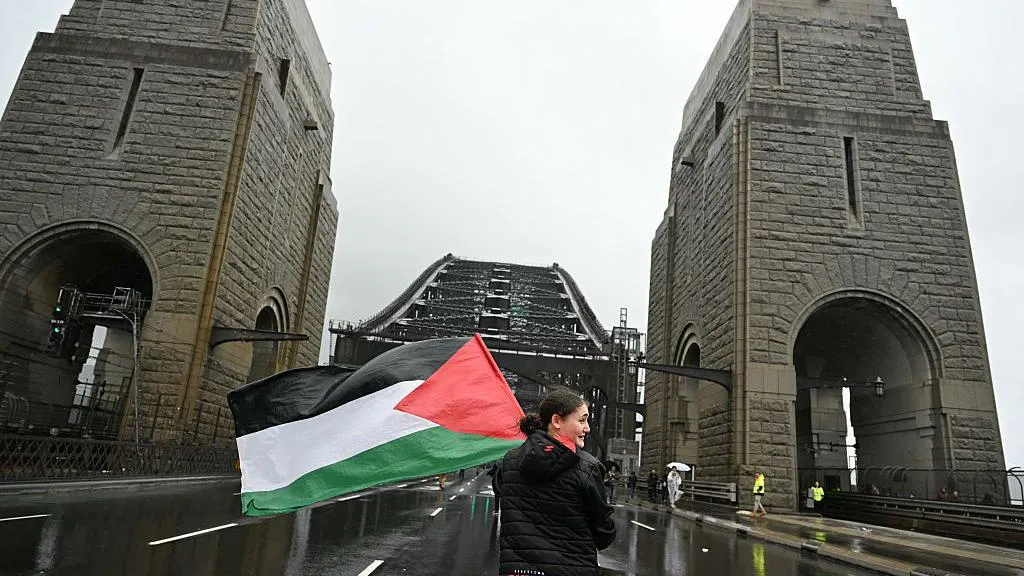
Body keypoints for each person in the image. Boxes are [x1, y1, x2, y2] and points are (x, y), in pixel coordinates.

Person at [493, 387, 616, 576]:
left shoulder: (510, 460)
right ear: (556, 420)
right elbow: (603, 534)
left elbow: (500, 490)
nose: (588, 428)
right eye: (582, 420)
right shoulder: (588, 468)